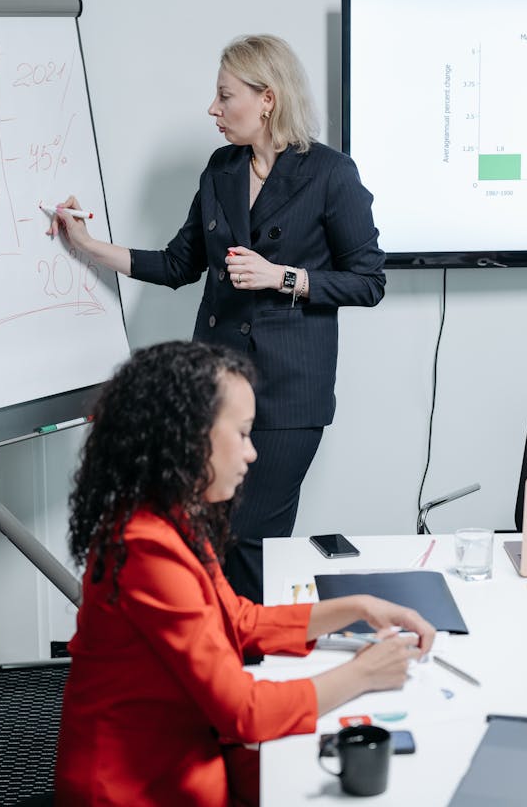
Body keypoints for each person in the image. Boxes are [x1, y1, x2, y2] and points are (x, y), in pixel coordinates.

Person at [49, 34, 385, 603]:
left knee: (251, 540)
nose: (213, 108)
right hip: (217, 392)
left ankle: (249, 671)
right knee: (209, 538)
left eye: (225, 95)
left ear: (267, 100)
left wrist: (284, 276)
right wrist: (87, 246)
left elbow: (370, 280)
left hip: (288, 396)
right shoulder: (221, 169)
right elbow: (179, 263)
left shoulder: (329, 174)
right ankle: (219, 666)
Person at [54, 340, 435, 807]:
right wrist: (363, 673)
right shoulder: (146, 548)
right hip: (136, 787)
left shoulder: (172, 514)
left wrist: (356, 608)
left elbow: (238, 619)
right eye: (243, 433)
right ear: (189, 436)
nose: (252, 453)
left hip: (182, 757)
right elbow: (242, 712)